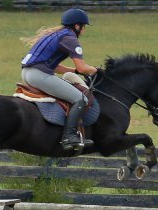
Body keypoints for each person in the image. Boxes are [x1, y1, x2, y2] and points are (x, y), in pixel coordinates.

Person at [20, 8, 99, 151]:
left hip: (27, 73)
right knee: (81, 99)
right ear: (77, 26)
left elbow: (56, 67)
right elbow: (82, 68)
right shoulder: (70, 38)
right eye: (83, 27)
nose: (84, 31)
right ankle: (69, 136)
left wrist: (73, 71)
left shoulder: (55, 34)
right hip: (39, 76)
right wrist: (97, 70)